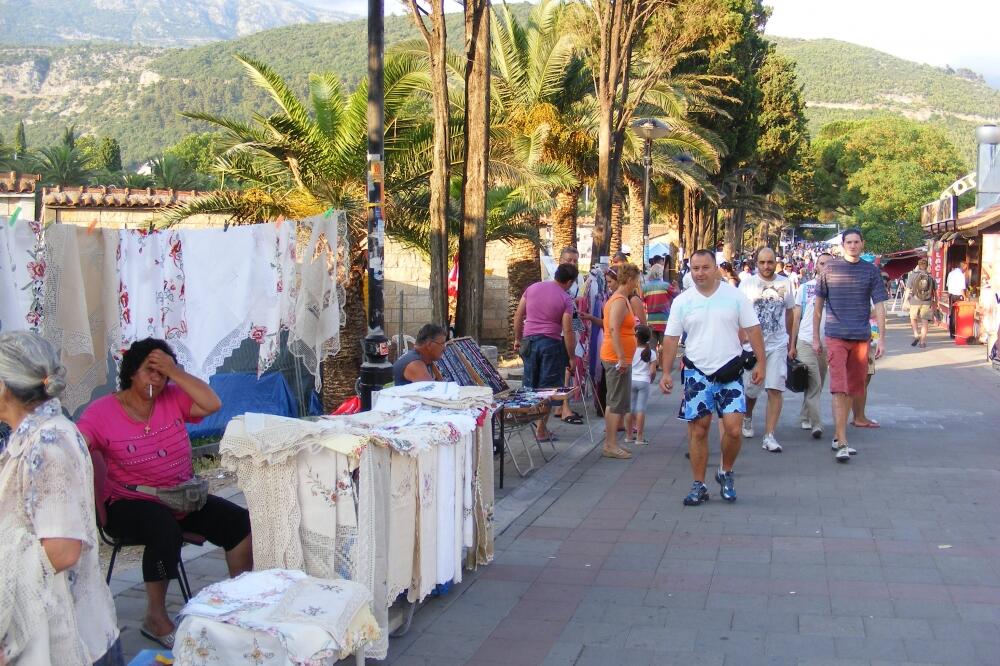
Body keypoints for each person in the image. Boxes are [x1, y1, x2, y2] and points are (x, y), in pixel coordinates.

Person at [77, 338, 252, 649]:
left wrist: (176, 372)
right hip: (128, 504)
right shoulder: (103, 412)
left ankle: (239, 602)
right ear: (132, 372)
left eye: (163, 373)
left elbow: (212, 404)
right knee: (163, 528)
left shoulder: (172, 397)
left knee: (240, 524)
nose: (156, 379)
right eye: (150, 370)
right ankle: (155, 618)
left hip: (179, 497)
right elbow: (78, 444)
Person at [0, 331, 122, 666]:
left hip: (70, 641)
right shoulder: (31, 437)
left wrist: (7, 589)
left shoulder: (49, 442)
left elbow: (63, 550)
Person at [660, 250, 765, 505]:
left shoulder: (734, 296)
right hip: (697, 372)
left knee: (733, 429)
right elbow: (672, 338)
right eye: (695, 268)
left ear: (715, 268)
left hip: (729, 371)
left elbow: (753, 329)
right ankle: (699, 484)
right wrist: (665, 372)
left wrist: (761, 362)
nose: (700, 273)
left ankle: (725, 471)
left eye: (705, 267)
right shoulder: (683, 301)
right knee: (699, 430)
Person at [813, 228, 888, 463]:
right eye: (849, 242)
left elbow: (880, 306)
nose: (853, 245)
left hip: (861, 337)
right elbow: (817, 306)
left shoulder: (871, 271)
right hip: (835, 335)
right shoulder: (830, 269)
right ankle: (843, 443)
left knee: (853, 388)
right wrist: (815, 337)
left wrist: (882, 339)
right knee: (839, 387)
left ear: (862, 244)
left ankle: (838, 433)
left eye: (856, 242)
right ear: (842, 244)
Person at [739, 247, 795, 453]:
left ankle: (769, 435)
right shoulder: (747, 284)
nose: (766, 266)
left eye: (770, 262)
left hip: (778, 343)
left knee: (775, 388)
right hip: (753, 347)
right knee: (752, 389)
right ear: (756, 263)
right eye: (762, 262)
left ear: (776, 262)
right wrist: (741, 337)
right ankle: (747, 416)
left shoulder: (785, 283)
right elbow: (738, 312)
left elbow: (790, 312)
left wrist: (791, 341)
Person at [513, 263, 578, 440]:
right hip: (551, 344)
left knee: (529, 386)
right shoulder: (566, 299)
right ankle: (541, 430)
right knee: (548, 389)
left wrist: (518, 339)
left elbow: (519, 315)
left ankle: (521, 423)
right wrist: (571, 357)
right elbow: (568, 329)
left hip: (529, 342)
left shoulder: (533, 288)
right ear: (570, 281)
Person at [600, 263, 642, 459]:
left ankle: (612, 443)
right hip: (616, 357)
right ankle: (610, 444)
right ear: (631, 280)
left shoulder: (622, 299)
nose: (637, 284)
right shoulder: (618, 300)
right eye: (637, 280)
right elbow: (614, 329)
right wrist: (622, 357)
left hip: (618, 356)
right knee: (615, 402)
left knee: (616, 401)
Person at [790, 251, 832, 439]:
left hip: (828, 343)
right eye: (822, 263)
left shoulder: (838, 288)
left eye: (829, 264)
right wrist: (792, 344)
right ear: (816, 266)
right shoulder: (806, 288)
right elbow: (796, 318)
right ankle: (817, 424)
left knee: (818, 382)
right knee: (814, 382)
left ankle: (805, 414)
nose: (825, 267)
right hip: (806, 341)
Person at [624, 325, 657, 447]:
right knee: (641, 408)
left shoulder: (630, 350)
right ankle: (639, 437)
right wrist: (651, 379)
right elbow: (653, 371)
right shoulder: (651, 353)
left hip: (631, 380)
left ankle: (628, 436)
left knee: (629, 408)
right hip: (644, 381)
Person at [903, 258, 936, 348]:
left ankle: (916, 334)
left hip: (914, 300)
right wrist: (935, 303)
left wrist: (905, 301)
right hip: (927, 301)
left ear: (918, 265)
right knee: (924, 321)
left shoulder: (913, 275)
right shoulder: (931, 276)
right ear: (927, 266)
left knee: (913, 318)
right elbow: (934, 291)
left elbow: (908, 289)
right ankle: (922, 342)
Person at [642, 263, 677, 346]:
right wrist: (676, 286)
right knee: (664, 348)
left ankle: (655, 359)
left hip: (651, 322)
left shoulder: (645, 287)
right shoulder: (666, 286)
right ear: (661, 273)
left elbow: (642, 304)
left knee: (652, 349)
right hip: (664, 320)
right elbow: (677, 296)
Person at [946, 260, 968, 339]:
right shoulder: (961, 275)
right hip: (958, 296)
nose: (966, 269)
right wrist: (965, 297)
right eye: (966, 267)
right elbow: (962, 289)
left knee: (952, 314)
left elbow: (948, 285)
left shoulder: (951, 273)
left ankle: (952, 333)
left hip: (951, 296)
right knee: (958, 315)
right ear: (963, 266)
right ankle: (958, 331)